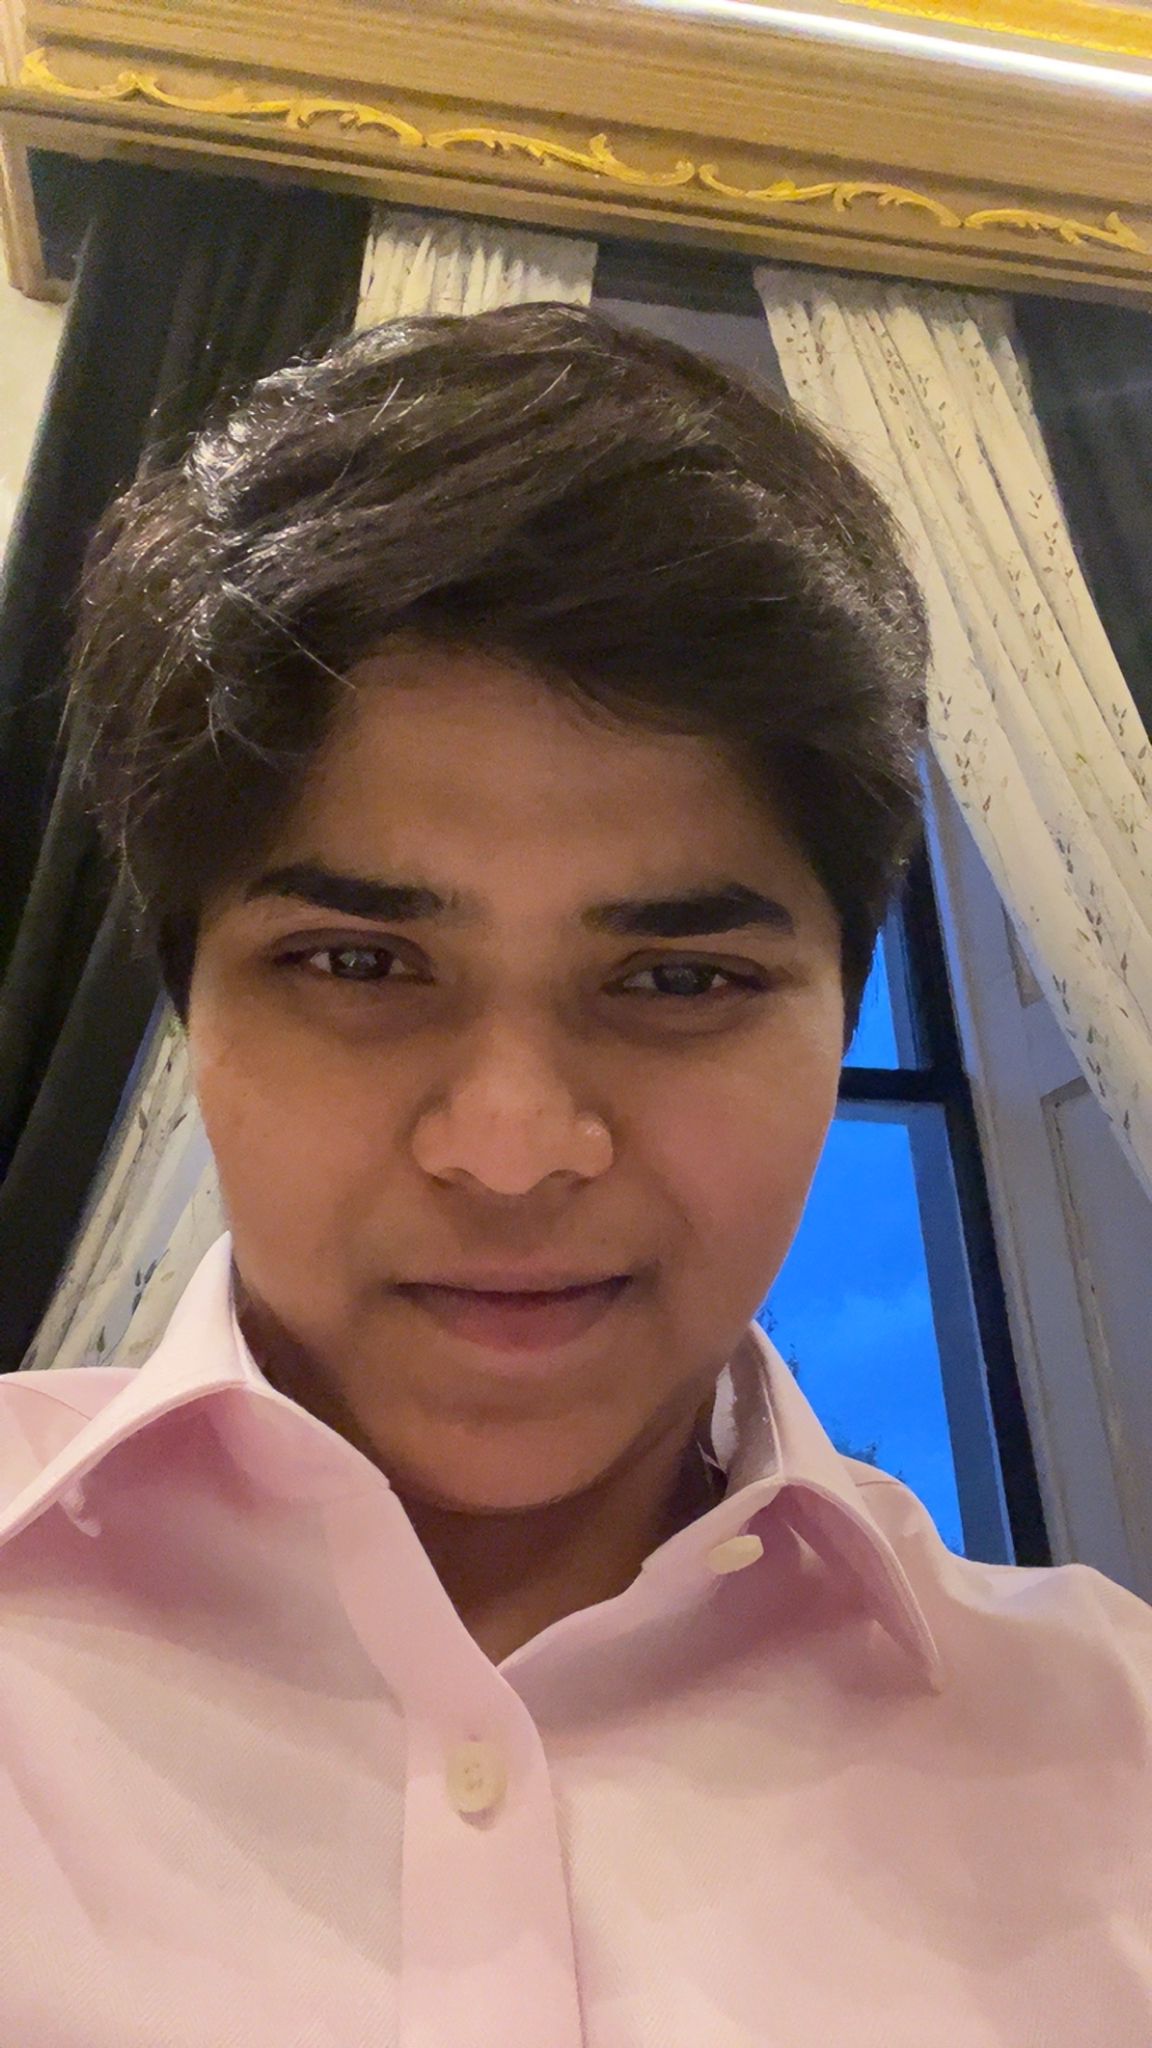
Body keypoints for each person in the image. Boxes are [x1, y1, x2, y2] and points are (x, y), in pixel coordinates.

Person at [1, 302, 1148, 2046]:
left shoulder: (1106, 1763)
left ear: (841, 1012)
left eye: (678, 980)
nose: (515, 1150)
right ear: (187, 1010)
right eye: (359, 965)